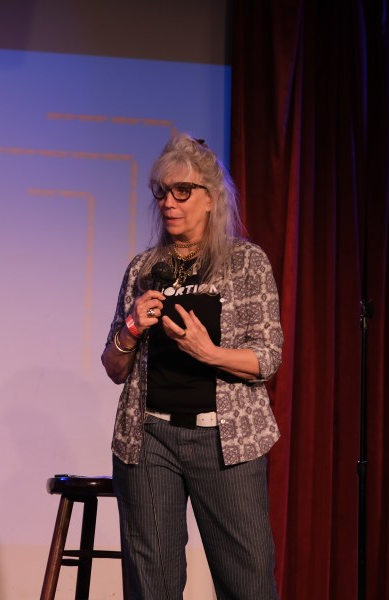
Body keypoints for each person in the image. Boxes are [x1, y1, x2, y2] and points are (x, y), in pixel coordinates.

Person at [100, 133, 282, 598]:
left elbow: (268, 357)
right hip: (149, 439)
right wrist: (130, 329)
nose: (169, 202)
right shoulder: (144, 268)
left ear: (211, 198)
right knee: (151, 585)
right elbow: (114, 366)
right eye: (161, 192)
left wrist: (209, 354)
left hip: (226, 441)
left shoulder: (246, 264)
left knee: (248, 582)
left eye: (182, 191)